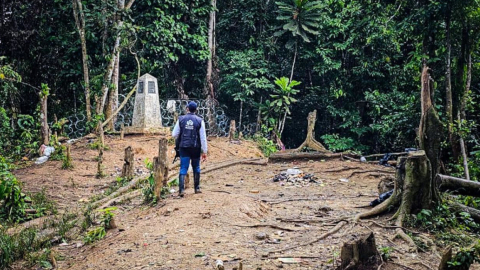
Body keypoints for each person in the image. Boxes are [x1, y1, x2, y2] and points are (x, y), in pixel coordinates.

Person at [172, 101, 208, 197]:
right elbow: (203, 138)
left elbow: (174, 134)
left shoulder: (181, 119)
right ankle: (196, 188)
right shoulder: (200, 121)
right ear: (196, 110)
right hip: (196, 147)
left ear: (187, 109)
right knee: (196, 167)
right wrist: (204, 151)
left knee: (183, 167)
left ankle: (181, 190)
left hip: (184, 147)